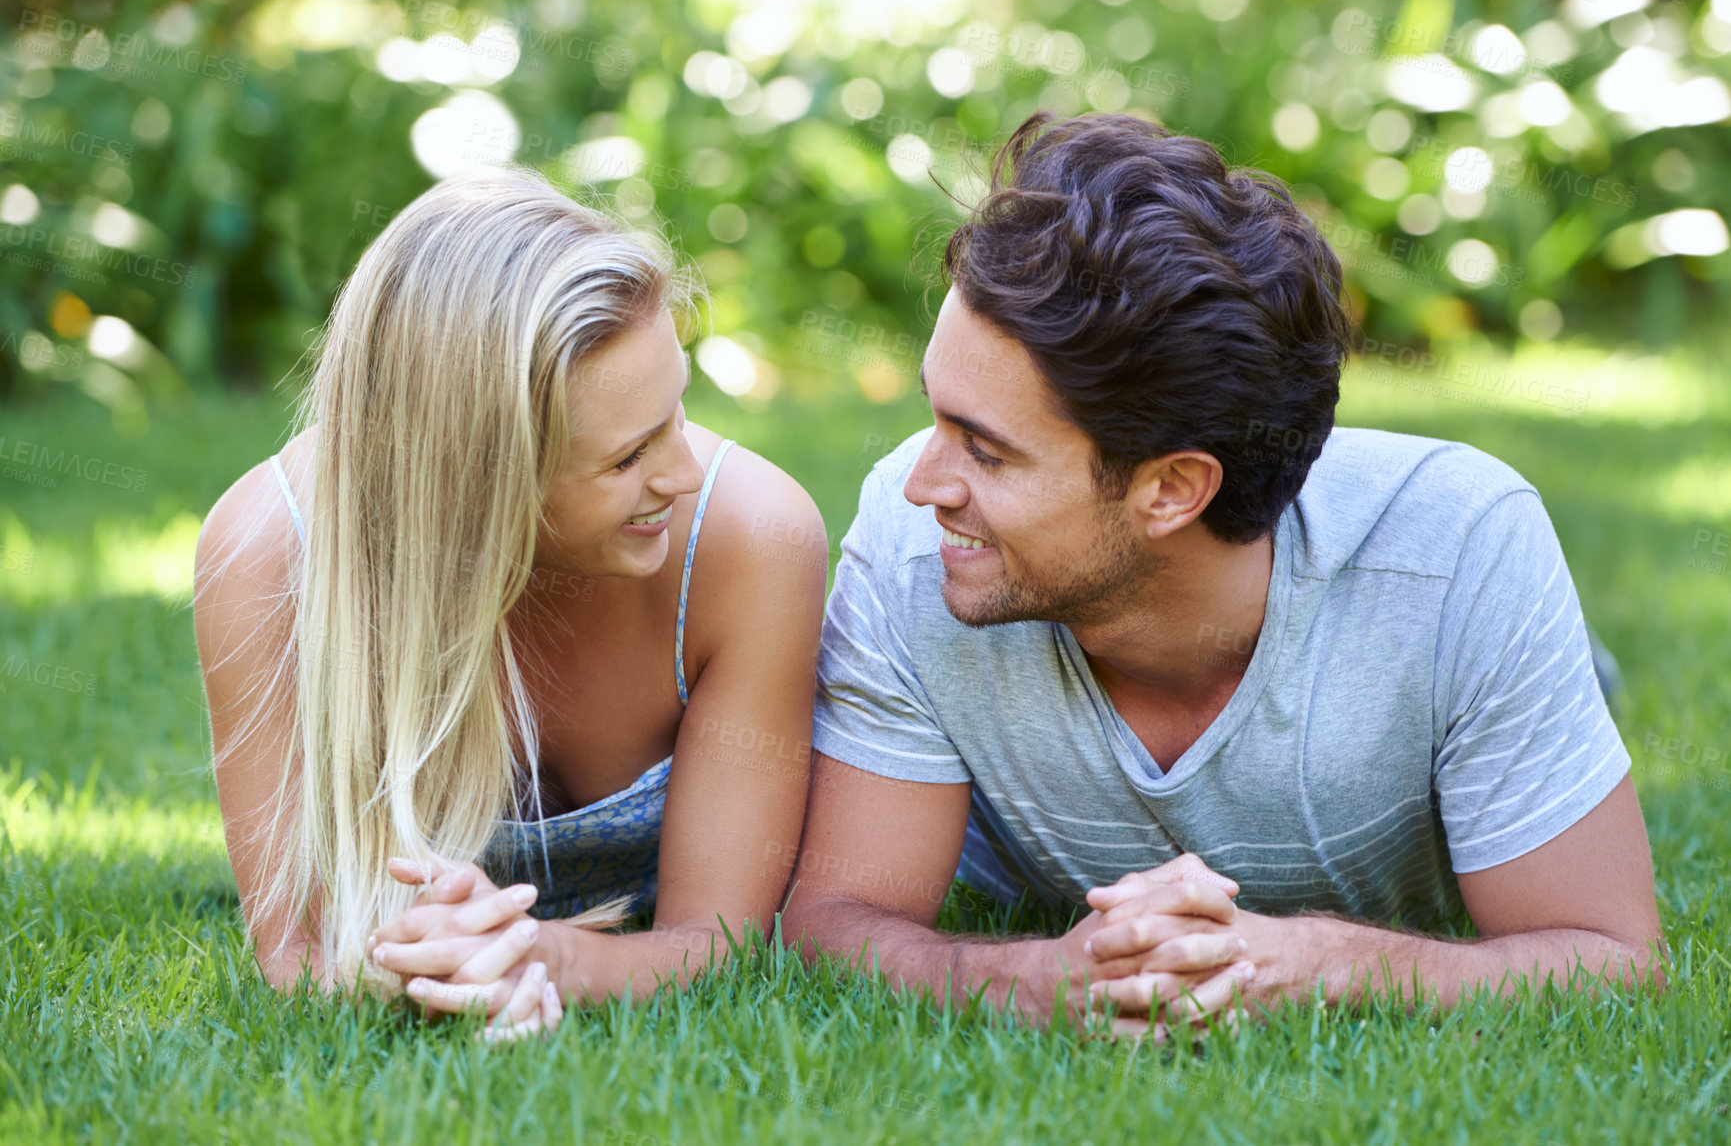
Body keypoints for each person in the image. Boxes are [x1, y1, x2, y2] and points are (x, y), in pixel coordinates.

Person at [781, 113, 1663, 1038]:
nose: (924, 483)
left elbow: (1608, 956)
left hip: (1438, 626)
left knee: (1535, 687)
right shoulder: (917, 535)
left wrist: (1318, 962)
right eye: (936, 417)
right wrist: (1032, 978)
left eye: (987, 452)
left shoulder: (1458, 552)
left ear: (1170, 489)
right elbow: (832, 922)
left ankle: (1574, 680)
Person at [194, 169, 824, 1038]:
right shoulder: (268, 551)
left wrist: (554, 958)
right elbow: (299, 952)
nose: (678, 473)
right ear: (480, 480)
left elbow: (714, 940)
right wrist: (439, 970)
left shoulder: (749, 537)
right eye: (626, 457)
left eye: (677, 411)